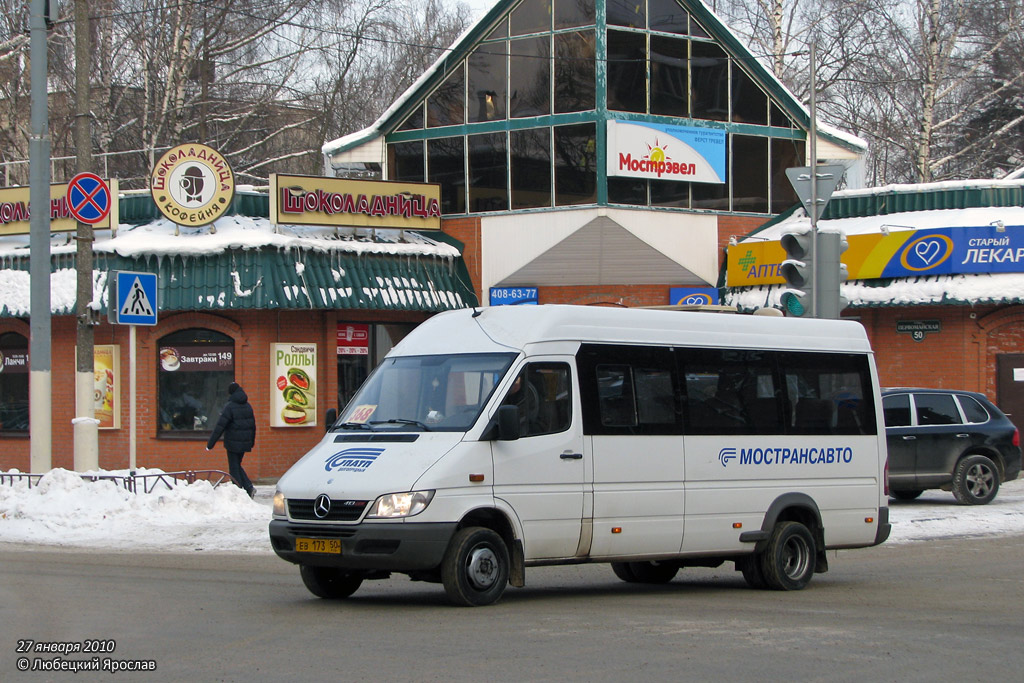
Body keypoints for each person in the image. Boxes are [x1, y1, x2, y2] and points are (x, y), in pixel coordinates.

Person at [206, 382, 256, 498]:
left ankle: (238, 492)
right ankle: (248, 487)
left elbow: (220, 426)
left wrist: (210, 444)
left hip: (232, 443)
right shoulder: (248, 406)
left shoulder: (230, 406)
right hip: (245, 443)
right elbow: (253, 426)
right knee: (237, 465)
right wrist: (251, 442)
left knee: (234, 468)